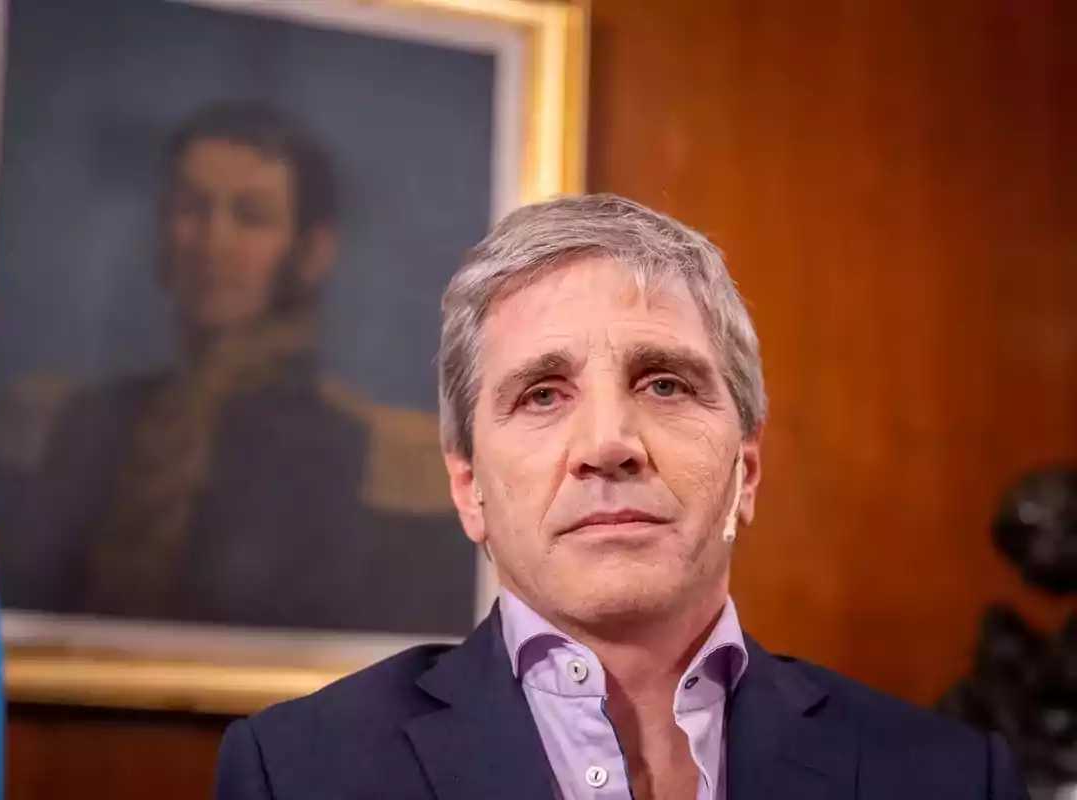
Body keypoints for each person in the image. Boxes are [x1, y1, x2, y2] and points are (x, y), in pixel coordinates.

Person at [214, 194, 1030, 799]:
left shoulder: (953, 779)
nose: (609, 443)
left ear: (746, 472)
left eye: (666, 384)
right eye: (541, 394)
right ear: (469, 490)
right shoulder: (297, 774)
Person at [0, 104, 474, 634]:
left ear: (311, 251)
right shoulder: (78, 419)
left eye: (251, 217)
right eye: (191, 208)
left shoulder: (376, 454)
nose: (212, 243)